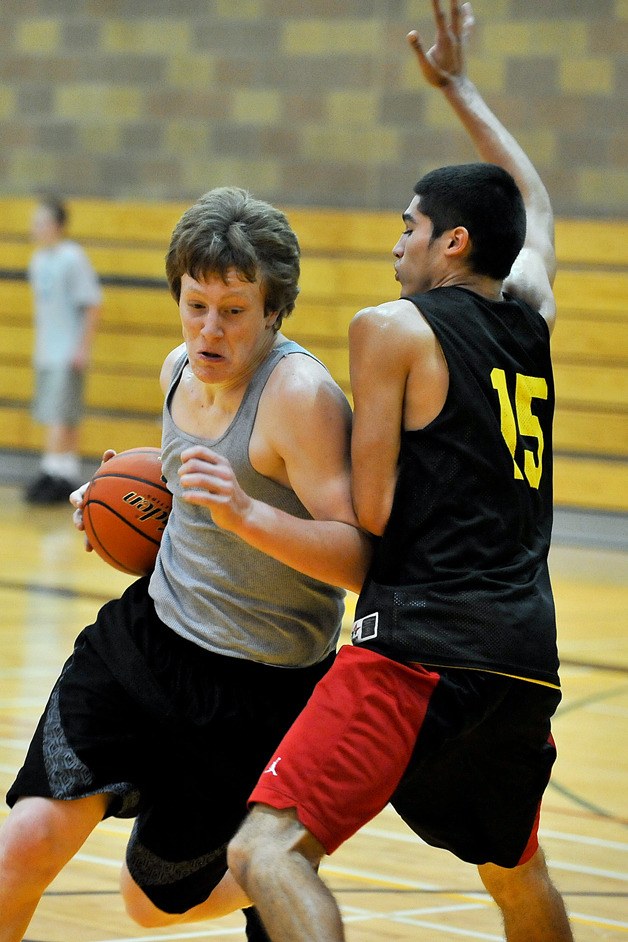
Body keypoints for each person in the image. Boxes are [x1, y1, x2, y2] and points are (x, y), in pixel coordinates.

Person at [228, 3, 574, 940]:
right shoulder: (530, 319)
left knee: (264, 854)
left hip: (415, 648)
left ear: (451, 242)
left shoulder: (390, 328)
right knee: (515, 869)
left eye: (409, 225)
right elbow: (535, 203)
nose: (397, 242)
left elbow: (371, 510)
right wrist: (461, 91)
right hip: (524, 657)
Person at [0, 186, 372, 942]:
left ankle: (278, 866)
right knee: (23, 844)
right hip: (146, 643)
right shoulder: (177, 369)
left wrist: (247, 514)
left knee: (151, 903)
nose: (208, 330)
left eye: (233, 311)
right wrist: (113, 506)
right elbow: (181, 500)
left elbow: (363, 557)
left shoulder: (300, 398)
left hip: (253, 691)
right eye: (195, 304)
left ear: (275, 311)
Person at [24, 196, 102, 504]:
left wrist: (81, 348)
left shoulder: (73, 258)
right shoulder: (38, 261)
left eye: (42, 222)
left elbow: (93, 305)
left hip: (67, 350)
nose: (36, 228)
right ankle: (64, 470)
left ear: (57, 226)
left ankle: (54, 471)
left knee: (61, 414)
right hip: (46, 349)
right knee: (55, 413)